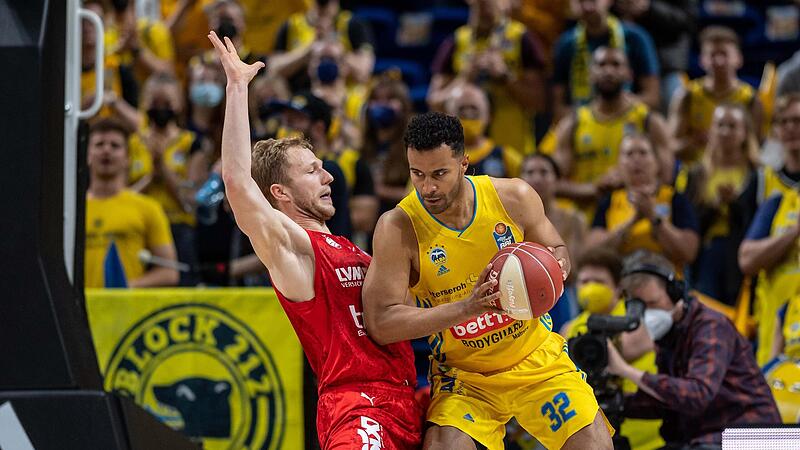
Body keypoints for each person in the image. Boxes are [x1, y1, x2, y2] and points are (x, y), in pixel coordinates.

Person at [208, 31, 422, 448]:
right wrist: (237, 87)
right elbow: (237, 182)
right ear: (280, 194)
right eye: (311, 171)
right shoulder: (293, 249)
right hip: (357, 407)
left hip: (405, 400)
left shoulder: (351, 248)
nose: (328, 177)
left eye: (322, 167)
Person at [362, 112, 613, 450]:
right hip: (465, 378)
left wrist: (556, 267)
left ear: (464, 163)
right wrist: (467, 308)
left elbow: (556, 248)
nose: (427, 188)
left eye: (439, 174)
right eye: (417, 174)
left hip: (536, 360)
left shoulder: (514, 197)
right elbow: (381, 322)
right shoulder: (397, 227)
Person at [606, 251, 781, 449]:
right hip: (710, 437)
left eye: (653, 303)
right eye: (640, 307)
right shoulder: (669, 336)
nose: (648, 313)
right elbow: (671, 401)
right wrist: (616, 402)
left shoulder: (711, 326)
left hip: (759, 436)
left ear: (675, 293)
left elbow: (697, 394)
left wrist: (626, 370)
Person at [560, 247, 664, 450]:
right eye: (584, 282)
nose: (590, 288)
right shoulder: (569, 328)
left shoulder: (637, 319)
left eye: (599, 282)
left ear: (617, 287)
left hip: (647, 438)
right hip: (597, 436)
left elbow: (623, 350)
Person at [553, 46, 672, 215]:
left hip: (635, 219)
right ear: (590, 74)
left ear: (629, 74)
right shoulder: (572, 124)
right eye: (601, 65)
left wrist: (631, 183)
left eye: (616, 65)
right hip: (587, 221)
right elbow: (554, 184)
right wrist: (594, 189)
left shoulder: (649, 121)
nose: (608, 71)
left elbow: (666, 177)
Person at [428, 0, 546, 155]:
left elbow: (539, 103)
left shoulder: (521, 38)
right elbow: (434, 102)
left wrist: (505, 76)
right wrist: (465, 78)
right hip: (466, 152)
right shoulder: (457, 41)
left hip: (513, 150)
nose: (486, 5)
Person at [128, 73, 209, 286]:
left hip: (178, 228)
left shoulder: (191, 143)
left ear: (179, 104)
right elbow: (122, 195)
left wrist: (163, 170)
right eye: (155, 103)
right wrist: (150, 178)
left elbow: (190, 201)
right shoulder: (133, 143)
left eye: (167, 103)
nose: (160, 109)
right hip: (139, 228)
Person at [677, 103, 758, 305]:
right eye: (720, 125)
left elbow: (758, 219)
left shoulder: (758, 174)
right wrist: (714, 206)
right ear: (711, 130)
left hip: (741, 256)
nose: (725, 132)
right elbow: (685, 220)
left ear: (745, 133)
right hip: (705, 255)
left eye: (732, 126)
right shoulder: (694, 174)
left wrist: (735, 203)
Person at [739, 100, 800, 366]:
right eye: (784, 122)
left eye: (797, 121)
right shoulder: (771, 192)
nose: (791, 128)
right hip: (778, 322)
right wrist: (794, 232)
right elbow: (746, 259)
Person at [84, 118, 178, 288]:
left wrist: (128, 286)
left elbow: (169, 272)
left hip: (126, 304)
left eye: (115, 146)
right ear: (87, 155)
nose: (106, 150)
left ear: (128, 158)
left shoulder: (148, 207)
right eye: (99, 144)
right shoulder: (71, 211)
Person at [585, 133, 699, 271]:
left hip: (665, 278)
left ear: (657, 163)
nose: (636, 159)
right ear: (619, 165)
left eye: (643, 153)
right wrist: (631, 222)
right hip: (621, 277)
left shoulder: (674, 199)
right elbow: (591, 253)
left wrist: (653, 217)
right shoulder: (609, 201)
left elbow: (689, 253)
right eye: (629, 154)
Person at [552, 0, 660, 121]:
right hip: (583, 122)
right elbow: (558, 106)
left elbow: (652, 97)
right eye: (580, 1)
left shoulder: (635, 38)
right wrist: (591, 117)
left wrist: (612, 108)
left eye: (594, 0)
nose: (587, 7)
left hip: (628, 119)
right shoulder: (566, 44)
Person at [669, 26, 763, 163]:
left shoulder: (751, 99)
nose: (719, 61)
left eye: (724, 54)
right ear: (702, 60)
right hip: (696, 171)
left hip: (736, 171)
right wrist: (693, 143)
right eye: (712, 55)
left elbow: (755, 150)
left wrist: (727, 141)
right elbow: (670, 146)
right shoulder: (687, 96)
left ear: (738, 59)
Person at [270, 0, 375, 91]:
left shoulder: (353, 24)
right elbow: (273, 70)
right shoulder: (292, 25)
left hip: (346, 96)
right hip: (302, 96)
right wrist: (308, 51)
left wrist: (336, 49)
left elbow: (364, 73)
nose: (323, 6)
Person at [613, 0, 696, 112]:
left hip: (666, 66)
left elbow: (687, 22)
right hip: (623, 62)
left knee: (676, 102)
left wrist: (649, 7)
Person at [360, 73, 415, 214]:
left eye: (389, 99)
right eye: (376, 100)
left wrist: (379, 190)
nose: (382, 105)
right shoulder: (362, 142)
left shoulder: (413, 143)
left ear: (403, 105)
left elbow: (418, 194)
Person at [445, 83, 523, 178]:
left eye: (474, 111)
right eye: (462, 111)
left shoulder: (505, 156)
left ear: (489, 115)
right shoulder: (442, 156)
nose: (468, 114)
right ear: (449, 116)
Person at [520, 153, 585, 262]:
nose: (537, 179)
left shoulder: (575, 220)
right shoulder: (512, 220)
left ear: (557, 180)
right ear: (519, 180)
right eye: (530, 172)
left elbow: (577, 265)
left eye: (544, 172)